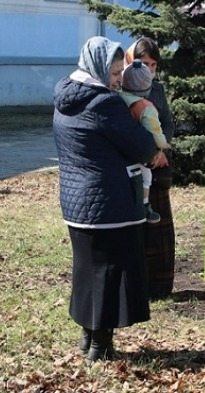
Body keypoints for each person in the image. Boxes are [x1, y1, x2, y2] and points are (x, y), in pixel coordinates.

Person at [53, 36, 160, 362]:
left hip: (77, 203)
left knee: (88, 272)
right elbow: (142, 146)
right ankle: (101, 347)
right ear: (98, 68)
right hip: (109, 203)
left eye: (119, 70)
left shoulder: (66, 96)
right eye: (114, 72)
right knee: (109, 275)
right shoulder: (104, 103)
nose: (118, 78)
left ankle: (89, 340)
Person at [125, 37, 176, 299]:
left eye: (153, 64)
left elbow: (165, 121)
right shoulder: (122, 88)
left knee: (160, 228)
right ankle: (137, 284)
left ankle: (160, 286)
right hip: (134, 165)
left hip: (158, 165)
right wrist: (145, 151)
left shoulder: (157, 89)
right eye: (144, 63)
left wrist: (161, 149)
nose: (149, 69)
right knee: (137, 226)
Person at [120, 59, 170, 224]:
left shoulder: (118, 99)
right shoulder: (146, 107)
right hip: (141, 153)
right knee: (146, 176)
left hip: (122, 150)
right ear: (146, 86)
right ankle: (145, 206)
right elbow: (155, 131)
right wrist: (163, 145)